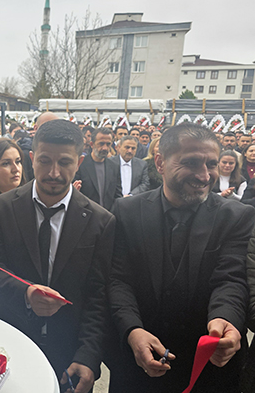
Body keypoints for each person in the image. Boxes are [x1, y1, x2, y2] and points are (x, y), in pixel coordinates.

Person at [108, 123, 254, 393]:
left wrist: (226, 319)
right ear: (160, 163)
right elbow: (119, 280)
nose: (204, 175)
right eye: (191, 163)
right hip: (139, 365)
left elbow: (231, 279)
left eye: (211, 164)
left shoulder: (236, 216)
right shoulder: (126, 211)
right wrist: (132, 330)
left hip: (210, 368)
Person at [0, 120, 115, 393]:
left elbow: (98, 296)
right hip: (11, 345)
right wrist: (26, 293)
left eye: (64, 162)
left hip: (69, 354)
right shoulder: (2, 208)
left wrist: (88, 356)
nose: (53, 172)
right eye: (45, 161)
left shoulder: (101, 221)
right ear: (32, 158)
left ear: (79, 162)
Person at [74, 128, 122, 210]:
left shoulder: (114, 166)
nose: (105, 148)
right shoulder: (80, 165)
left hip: (108, 215)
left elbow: (117, 195)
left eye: (108, 144)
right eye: (101, 144)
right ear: (92, 144)